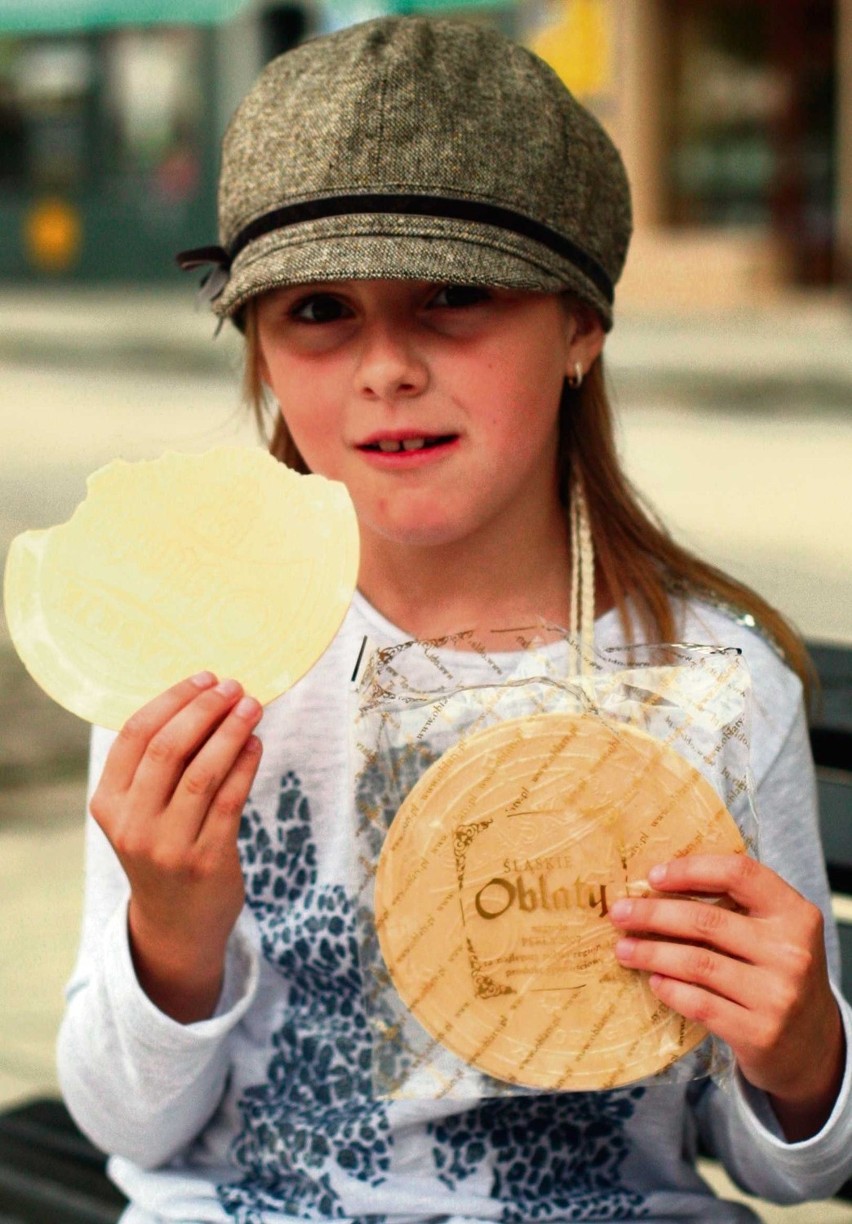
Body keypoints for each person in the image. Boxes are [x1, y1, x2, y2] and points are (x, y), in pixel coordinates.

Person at [58, 16, 851, 1224]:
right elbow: (125, 1122)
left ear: (581, 325)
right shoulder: (188, 663)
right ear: (261, 350)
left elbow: (788, 1167)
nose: (385, 366)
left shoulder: (716, 689)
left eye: (456, 294)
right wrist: (171, 931)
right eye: (318, 309)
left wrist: (801, 1055)